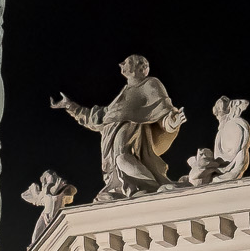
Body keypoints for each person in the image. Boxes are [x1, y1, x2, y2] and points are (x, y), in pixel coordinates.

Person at [51, 57, 185, 199]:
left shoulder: (151, 84)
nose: (121, 64)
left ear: (141, 67)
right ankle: (127, 189)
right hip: (109, 137)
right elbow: (98, 117)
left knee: (123, 158)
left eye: (127, 62)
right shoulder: (124, 92)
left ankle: (150, 186)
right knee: (116, 165)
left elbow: (162, 111)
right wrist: (70, 106)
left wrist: (172, 122)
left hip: (129, 130)